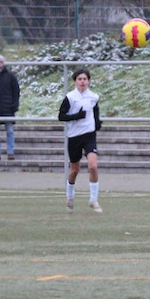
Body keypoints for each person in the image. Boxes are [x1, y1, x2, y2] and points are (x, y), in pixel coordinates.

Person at [58, 68, 102, 213]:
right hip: (74, 136)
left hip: (89, 135)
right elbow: (61, 116)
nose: (82, 82)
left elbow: (95, 112)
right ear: (75, 81)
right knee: (74, 170)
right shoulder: (70, 97)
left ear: (88, 81)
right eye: (80, 79)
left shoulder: (93, 97)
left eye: (85, 79)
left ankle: (93, 199)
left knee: (93, 166)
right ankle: (70, 197)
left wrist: (97, 123)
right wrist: (77, 116)